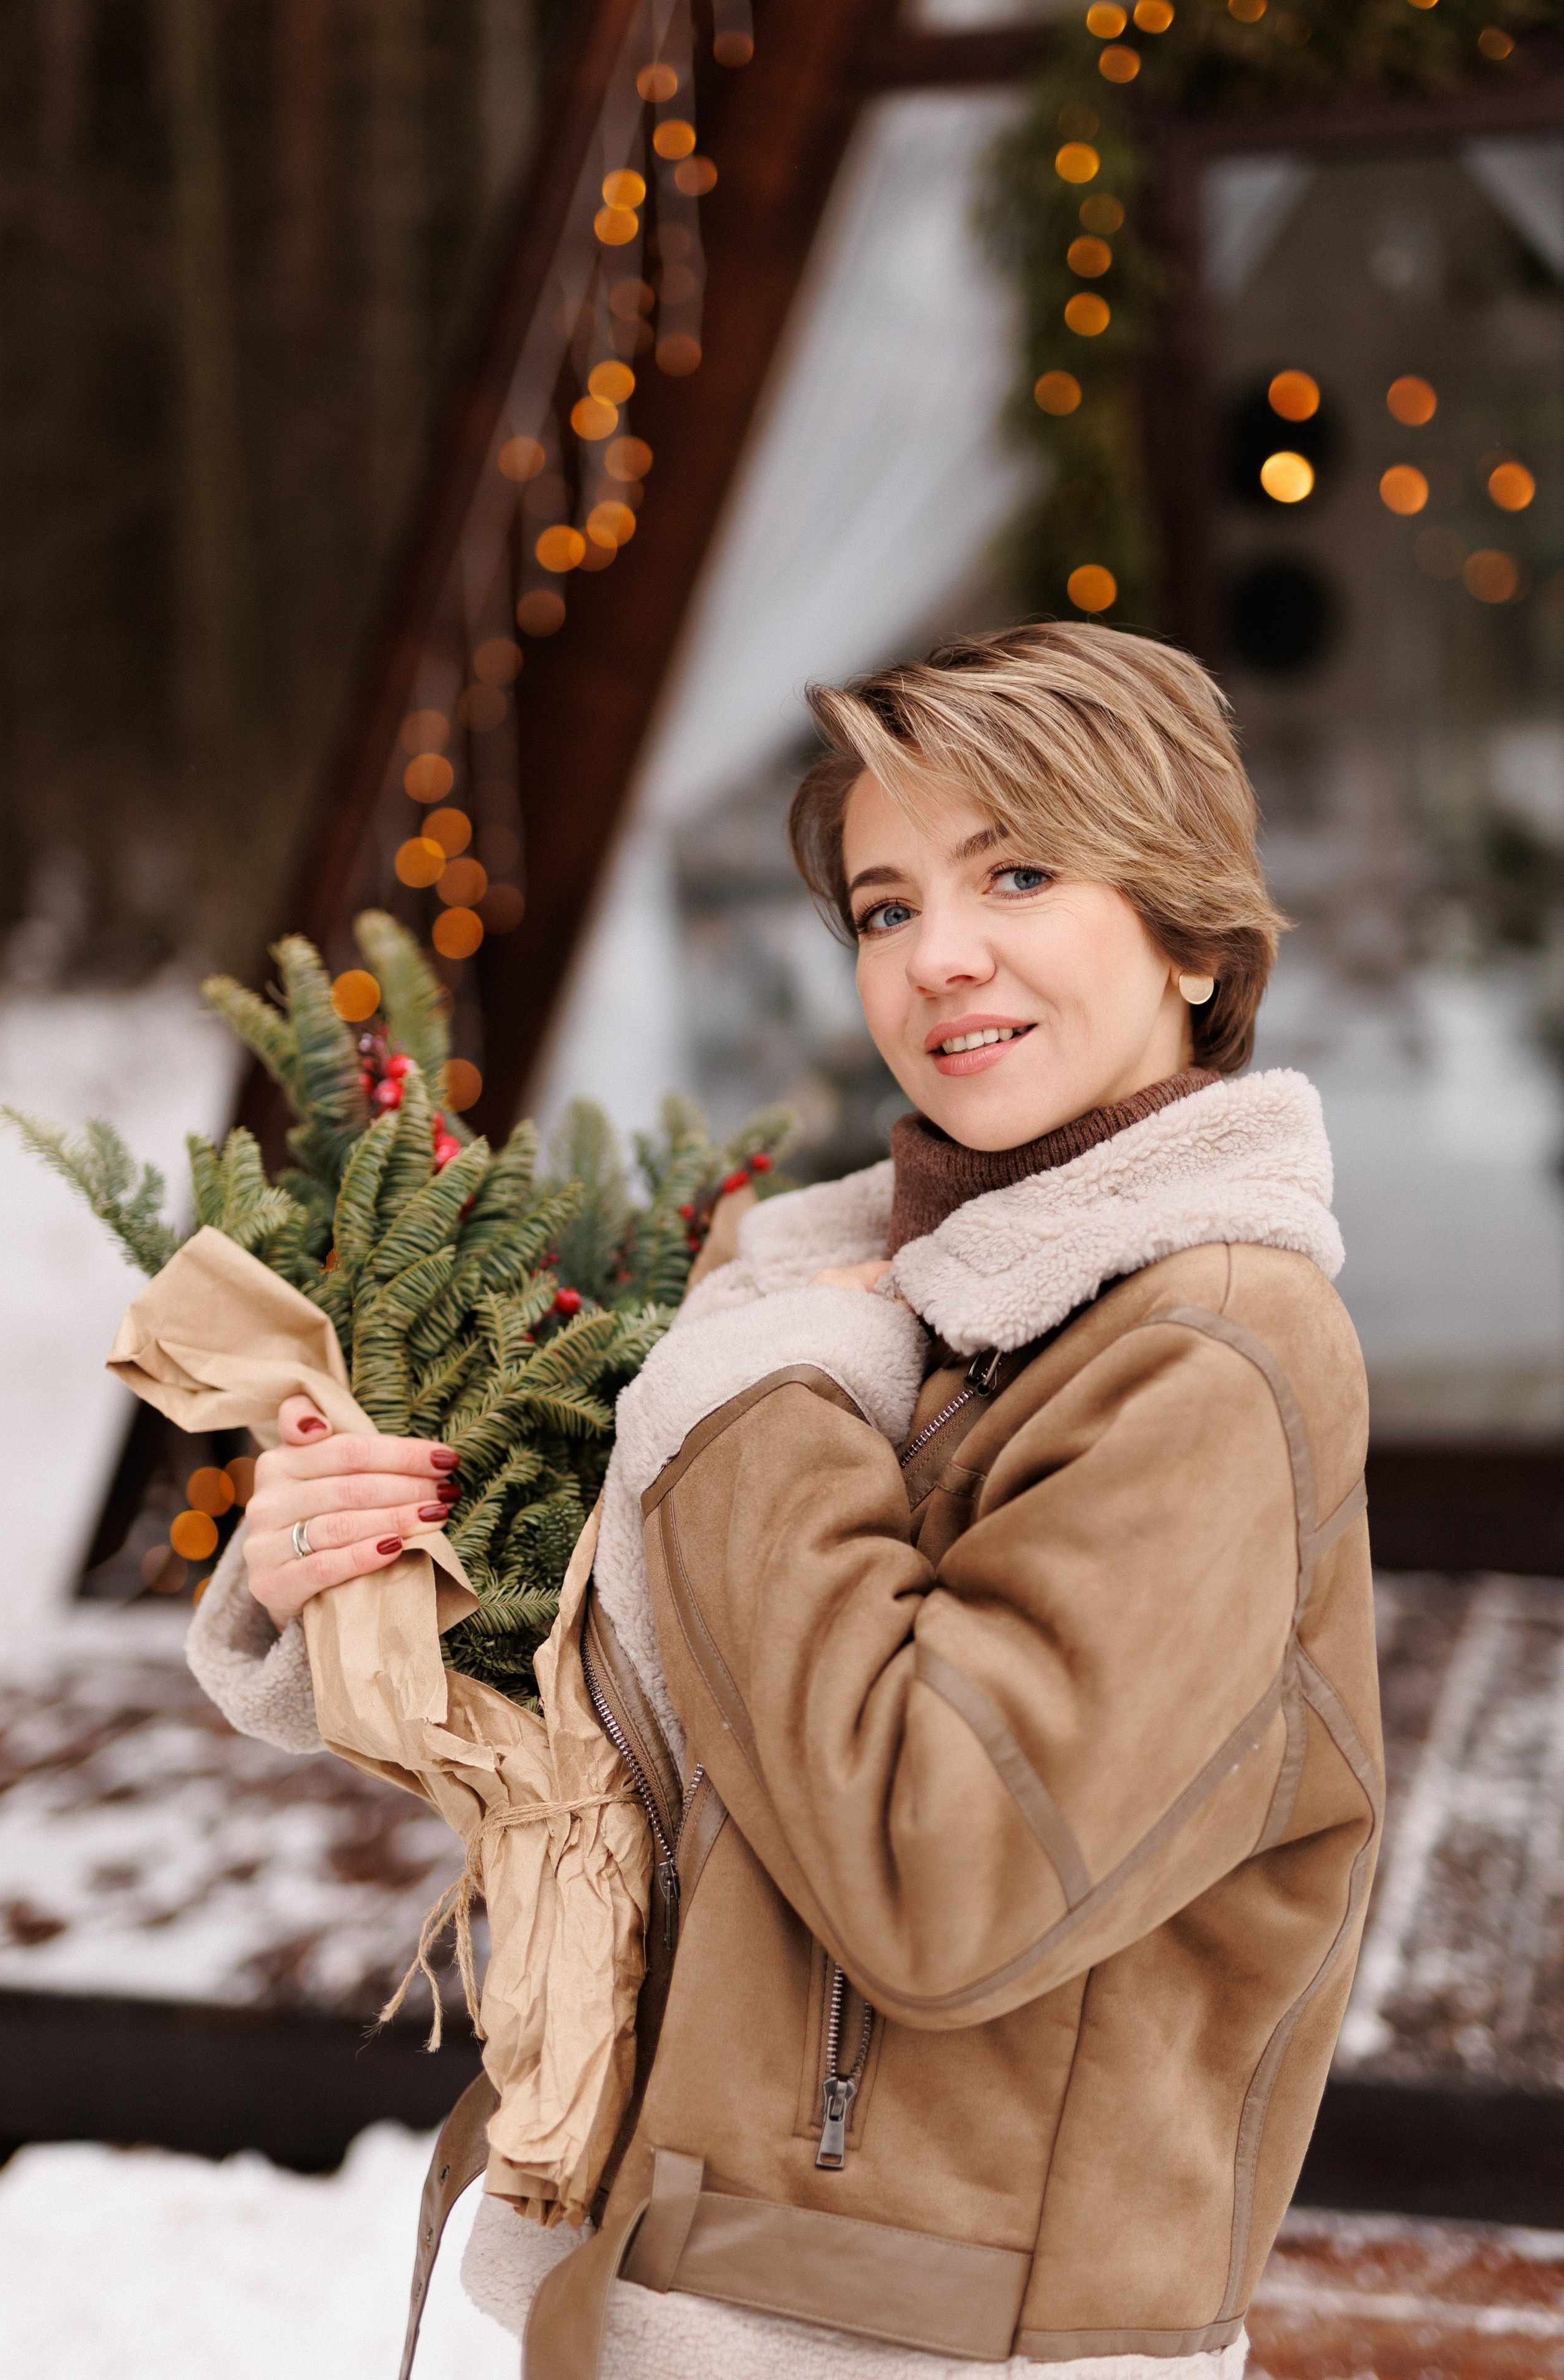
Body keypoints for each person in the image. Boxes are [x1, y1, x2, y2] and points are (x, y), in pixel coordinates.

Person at [192, 622, 1380, 2380]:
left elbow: (938, 1874)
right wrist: (341, 1596)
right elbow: (684, 1738)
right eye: (887, 907)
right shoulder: (880, 1293)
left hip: (931, 2339)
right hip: (702, 2262)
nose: (936, 958)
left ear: (1196, 936)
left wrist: (764, 1409)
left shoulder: (1200, 1343)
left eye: (1020, 873)